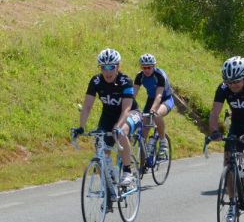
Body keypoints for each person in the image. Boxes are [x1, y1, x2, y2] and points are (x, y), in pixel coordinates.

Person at [208, 57, 244, 222]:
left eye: (236, 82)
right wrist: (214, 131)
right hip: (237, 124)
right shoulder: (223, 88)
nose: (233, 85)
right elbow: (214, 113)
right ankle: (234, 203)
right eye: (229, 82)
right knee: (228, 163)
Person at [73, 48, 141, 188]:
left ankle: (128, 171)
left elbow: (126, 108)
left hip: (130, 113)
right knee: (100, 147)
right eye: (103, 67)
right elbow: (87, 107)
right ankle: (109, 188)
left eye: (111, 67)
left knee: (122, 132)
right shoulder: (96, 81)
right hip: (108, 115)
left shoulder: (125, 81)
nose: (107, 71)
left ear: (118, 67)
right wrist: (81, 127)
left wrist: (117, 126)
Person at [132, 53, 173, 156]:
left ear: (154, 66)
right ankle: (143, 163)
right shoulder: (139, 76)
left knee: (156, 114)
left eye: (149, 67)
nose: (146, 70)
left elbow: (159, 96)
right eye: (143, 67)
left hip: (165, 99)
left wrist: (153, 110)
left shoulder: (159, 76)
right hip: (151, 100)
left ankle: (163, 141)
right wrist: (128, 108)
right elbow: (133, 95)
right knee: (143, 132)